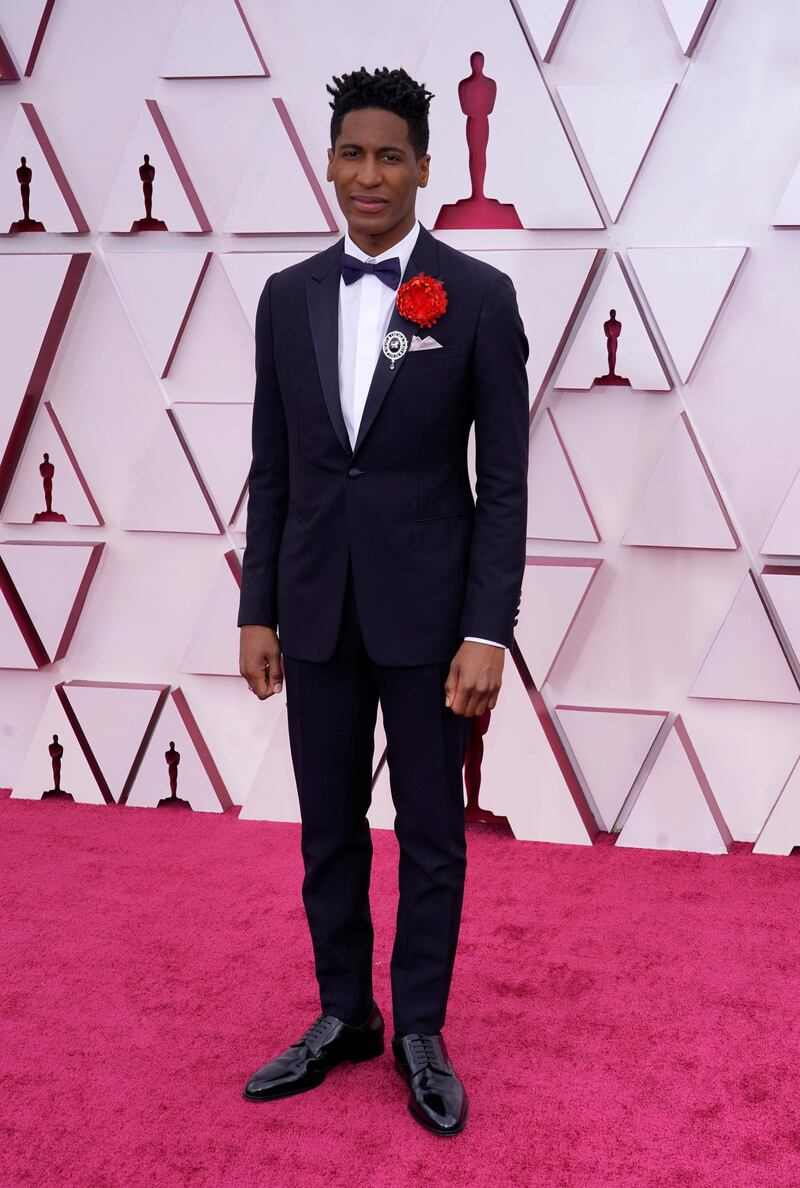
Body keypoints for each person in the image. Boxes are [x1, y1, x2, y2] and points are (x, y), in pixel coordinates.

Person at [237, 65, 529, 1137]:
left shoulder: (476, 298)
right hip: (311, 610)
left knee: (431, 834)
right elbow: (272, 468)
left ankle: (417, 1030)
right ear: (328, 162)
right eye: (352, 154)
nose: (369, 175)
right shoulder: (285, 299)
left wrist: (486, 627)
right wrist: (253, 606)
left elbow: (502, 483)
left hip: (429, 621)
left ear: (421, 167)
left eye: (389, 157)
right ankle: (342, 1014)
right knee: (326, 829)